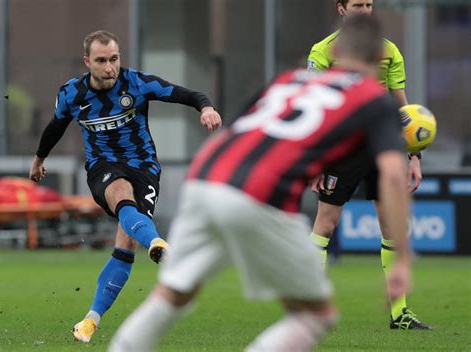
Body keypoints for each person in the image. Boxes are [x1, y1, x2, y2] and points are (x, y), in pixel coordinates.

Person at [109, 15, 413, 352]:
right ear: (379, 59)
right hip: (258, 194)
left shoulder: (288, 80)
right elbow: (393, 173)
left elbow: (243, 131)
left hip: (204, 177)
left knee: (174, 293)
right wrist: (402, 260)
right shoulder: (373, 97)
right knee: (316, 314)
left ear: (337, 49)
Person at [28, 30, 222, 343]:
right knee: (120, 192)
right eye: (102, 61)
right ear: (87, 61)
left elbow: (188, 94)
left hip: (144, 168)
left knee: (126, 243)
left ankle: (91, 319)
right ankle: (158, 242)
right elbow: (55, 126)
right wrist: (38, 159)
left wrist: (207, 108)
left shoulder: (137, 84)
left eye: (114, 59)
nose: (110, 67)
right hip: (102, 167)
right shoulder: (72, 94)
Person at [307, 0, 431, 330]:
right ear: (341, 8)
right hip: (341, 149)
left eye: (369, 3)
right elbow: (313, 102)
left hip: (382, 147)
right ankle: (309, 306)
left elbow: (401, 105)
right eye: (358, 4)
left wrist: (414, 154)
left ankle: (399, 313)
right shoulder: (322, 51)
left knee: (392, 226)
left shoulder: (389, 50)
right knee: (326, 224)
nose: (365, 9)